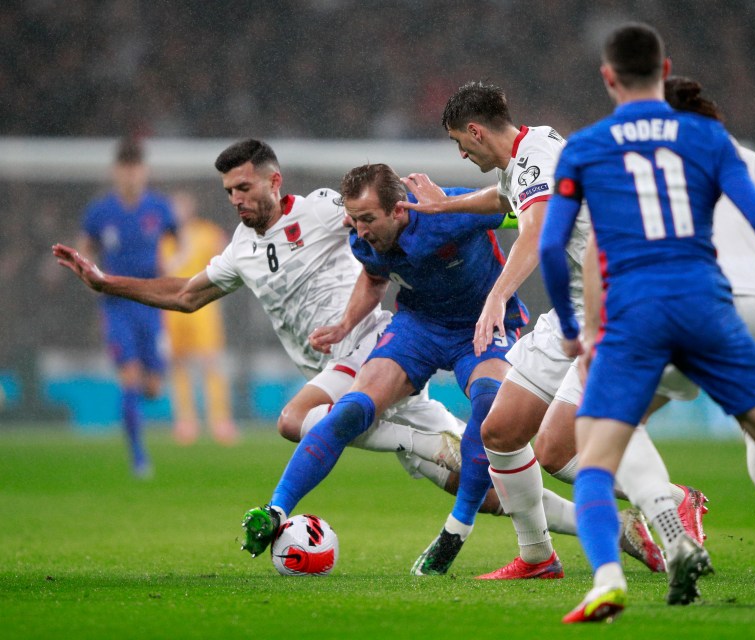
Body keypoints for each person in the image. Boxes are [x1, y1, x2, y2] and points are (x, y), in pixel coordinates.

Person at [539, 23, 755, 622]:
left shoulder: (586, 148)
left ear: (607, 77)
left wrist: (577, 330)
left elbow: (555, 249)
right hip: (709, 308)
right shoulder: (707, 138)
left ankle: (606, 580)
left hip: (635, 318)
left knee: (597, 455)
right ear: (665, 67)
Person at [399, 81, 709, 579]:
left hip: (614, 311)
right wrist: (444, 206)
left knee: (554, 448)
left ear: (476, 131)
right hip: (574, 312)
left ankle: (672, 500)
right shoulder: (526, 155)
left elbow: (537, 229)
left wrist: (497, 295)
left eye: (459, 140)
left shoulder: (538, 159)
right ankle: (537, 558)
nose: (460, 151)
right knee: (499, 431)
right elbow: (503, 201)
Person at [54, 139, 465, 514]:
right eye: (229, 191)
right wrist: (107, 282)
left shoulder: (321, 208)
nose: (236, 199)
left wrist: (443, 209)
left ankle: (423, 444)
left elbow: (382, 213)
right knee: (477, 480)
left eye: (244, 188)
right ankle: (525, 512)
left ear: (274, 181)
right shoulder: (240, 250)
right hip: (334, 373)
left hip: (370, 348)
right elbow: (185, 296)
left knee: (292, 420)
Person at [237, 162, 529, 568]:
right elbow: (375, 279)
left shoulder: (446, 210)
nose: (360, 231)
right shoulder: (364, 239)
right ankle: (275, 510)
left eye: (368, 219)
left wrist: (505, 290)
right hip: (419, 327)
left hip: (479, 323)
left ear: (399, 210)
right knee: (351, 408)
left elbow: (525, 207)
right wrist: (344, 324)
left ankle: (455, 531)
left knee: (487, 406)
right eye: (354, 220)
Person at [76, 137, 177, 478]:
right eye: (125, 169)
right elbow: (84, 246)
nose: (131, 176)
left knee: (152, 387)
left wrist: (173, 262)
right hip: (117, 303)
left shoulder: (159, 207)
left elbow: (180, 240)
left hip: (152, 302)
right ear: (116, 172)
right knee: (129, 377)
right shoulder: (100, 211)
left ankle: (138, 410)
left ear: (144, 172)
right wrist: (88, 271)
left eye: (136, 169)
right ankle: (138, 458)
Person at [159, 190, 238, 445]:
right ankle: (186, 421)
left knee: (210, 362)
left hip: (203, 308)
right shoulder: (163, 238)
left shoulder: (207, 233)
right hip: (172, 308)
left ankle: (220, 420)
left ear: (191, 208)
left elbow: (225, 258)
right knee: (178, 364)